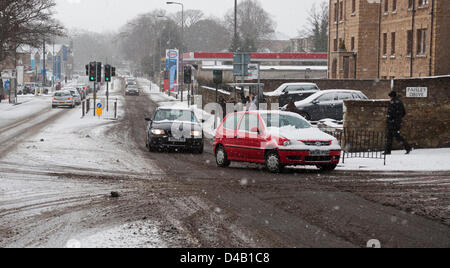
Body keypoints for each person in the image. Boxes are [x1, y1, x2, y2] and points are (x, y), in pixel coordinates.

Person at [385, 91, 412, 155]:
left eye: (389, 97)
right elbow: (403, 113)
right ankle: (388, 151)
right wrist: (398, 119)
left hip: (392, 123)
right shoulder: (399, 102)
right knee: (391, 136)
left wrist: (391, 120)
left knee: (394, 136)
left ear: (391, 96)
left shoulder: (392, 103)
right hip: (396, 122)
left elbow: (391, 113)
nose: (389, 98)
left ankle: (407, 147)